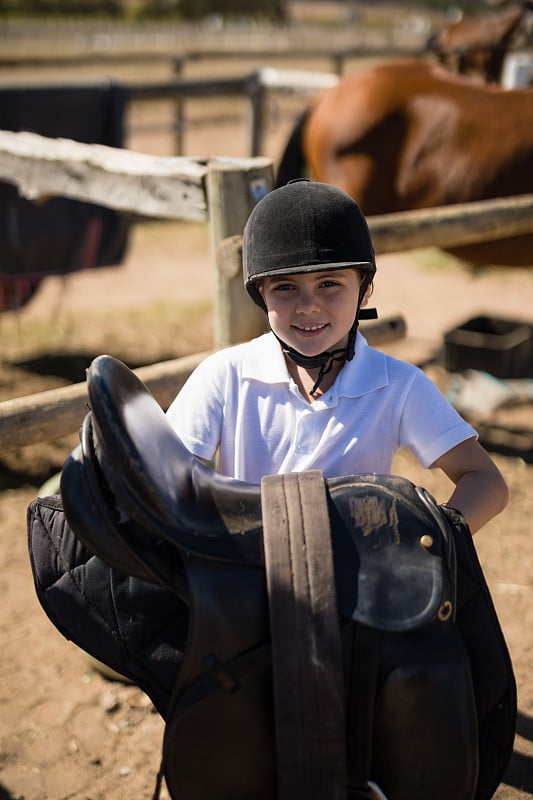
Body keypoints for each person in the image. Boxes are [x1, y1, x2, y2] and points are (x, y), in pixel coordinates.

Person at [166, 179, 508, 534]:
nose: (309, 306)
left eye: (329, 284)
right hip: (242, 574)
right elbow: (164, 477)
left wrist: (436, 537)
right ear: (261, 295)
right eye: (285, 287)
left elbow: (487, 482)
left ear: (364, 289)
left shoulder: (397, 385)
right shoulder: (225, 376)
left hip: (356, 581)